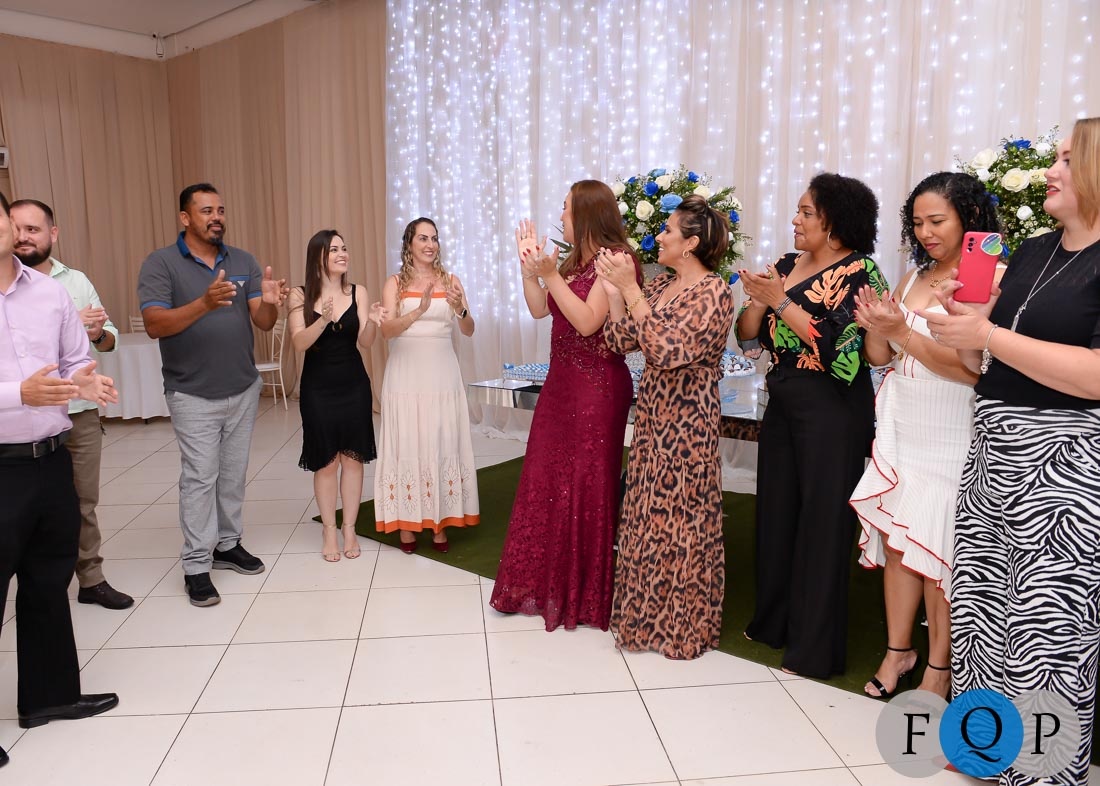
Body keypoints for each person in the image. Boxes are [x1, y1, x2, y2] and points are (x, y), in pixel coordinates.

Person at [922, 117, 1100, 786]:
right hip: (993, 449)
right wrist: (965, 323)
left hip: (1065, 467)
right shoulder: (1030, 252)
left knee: (1048, 626)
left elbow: (1095, 376)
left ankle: (1040, 769)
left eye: (1066, 159)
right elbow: (981, 361)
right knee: (981, 608)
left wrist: (989, 335)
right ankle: (983, 749)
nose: (1051, 170)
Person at [848, 172, 1003, 700]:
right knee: (900, 542)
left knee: (939, 550)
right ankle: (898, 652)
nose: (926, 232)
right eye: (917, 222)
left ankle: (940, 667)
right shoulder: (914, 275)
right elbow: (879, 358)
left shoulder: (991, 278)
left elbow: (971, 371)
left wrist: (900, 331)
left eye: (937, 220)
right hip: (904, 418)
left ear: (970, 218)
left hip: (952, 421)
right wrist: (875, 324)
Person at [737, 173, 888, 678]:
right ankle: (773, 623)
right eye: (797, 211)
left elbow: (843, 352)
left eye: (806, 213)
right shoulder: (785, 265)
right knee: (776, 513)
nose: (795, 220)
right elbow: (748, 335)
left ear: (835, 221)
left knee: (823, 524)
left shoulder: (862, 271)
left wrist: (781, 301)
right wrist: (761, 300)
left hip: (833, 406)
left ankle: (814, 647)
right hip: (783, 398)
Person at [0, 190, 120, 768]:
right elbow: (24, 388)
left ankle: (48, 697)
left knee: (48, 580)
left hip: (50, 459)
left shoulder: (50, 292)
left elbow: (75, 361)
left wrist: (85, 382)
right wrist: (16, 393)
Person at [489, 181, 639, 631]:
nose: (560, 216)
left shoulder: (618, 260)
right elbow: (541, 309)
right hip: (561, 383)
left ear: (588, 215)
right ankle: (539, 584)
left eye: (566, 209)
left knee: (586, 485)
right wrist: (529, 271)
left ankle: (583, 596)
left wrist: (550, 274)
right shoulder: (574, 262)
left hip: (597, 388)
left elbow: (589, 322)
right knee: (545, 477)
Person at [597, 194, 735, 659]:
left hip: (689, 425)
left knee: (682, 526)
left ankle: (682, 629)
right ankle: (642, 624)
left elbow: (667, 350)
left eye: (668, 230)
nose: (659, 236)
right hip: (653, 419)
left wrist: (632, 293)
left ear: (691, 243)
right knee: (645, 520)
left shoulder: (714, 292)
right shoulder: (660, 285)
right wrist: (615, 295)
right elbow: (620, 340)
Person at [137, 183, 288, 607]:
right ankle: (196, 566)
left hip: (242, 386)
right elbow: (154, 324)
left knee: (232, 474)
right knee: (200, 478)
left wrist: (271, 303)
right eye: (206, 210)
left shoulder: (242, 260)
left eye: (220, 209)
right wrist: (203, 303)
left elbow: (263, 321)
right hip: (191, 392)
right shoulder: (161, 263)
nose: (216, 216)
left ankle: (227, 544)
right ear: (185, 218)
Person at [10, 199, 134, 610]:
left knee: (82, 502)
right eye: (16, 228)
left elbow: (108, 340)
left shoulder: (73, 281)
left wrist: (95, 334)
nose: (23, 237)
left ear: (53, 233)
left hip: (75, 417)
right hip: (13, 421)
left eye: (33, 229)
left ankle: (90, 579)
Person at [373, 218, 478, 552]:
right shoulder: (394, 283)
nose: (430, 244)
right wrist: (418, 310)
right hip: (405, 374)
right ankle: (406, 522)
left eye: (434, 238)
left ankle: (440, 520)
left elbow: (469, 329)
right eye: (422, 238)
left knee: (440, 439)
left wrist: (460, 309)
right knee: (409, 439)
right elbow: (386, 331)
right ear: (409, 244)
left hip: (442, 373)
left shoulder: (451, 280)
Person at [288, 230, 385, 562]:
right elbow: (299, 343)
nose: (343, 254)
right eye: (334, 250)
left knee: (353, 460)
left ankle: (349, 528)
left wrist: (372, 322)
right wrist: (323, 321)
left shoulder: (358, 292)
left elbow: (366, 342)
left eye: (344, 248)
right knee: (327, 462)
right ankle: (329, 529)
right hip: (318, 388)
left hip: (354, 385)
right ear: (318, 257)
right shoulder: (300, 295)